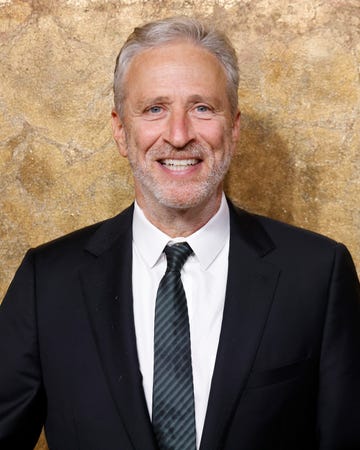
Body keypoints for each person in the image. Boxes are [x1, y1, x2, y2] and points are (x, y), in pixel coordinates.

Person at [0, 16, 359, 450]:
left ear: (235, 126)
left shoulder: (317, 275)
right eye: (154, 109)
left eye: (202, 108)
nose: (178, 134)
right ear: (120, 130)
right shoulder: (48, 282)